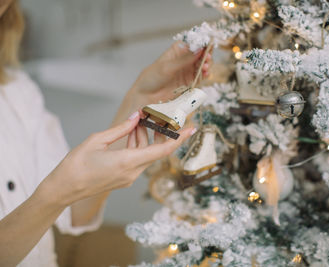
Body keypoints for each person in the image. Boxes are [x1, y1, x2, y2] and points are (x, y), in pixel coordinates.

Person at [0, 1, 212, 266]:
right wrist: (55, 195)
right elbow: (58, 198)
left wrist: (140, 98)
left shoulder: (19, 91)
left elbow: (73, 212)